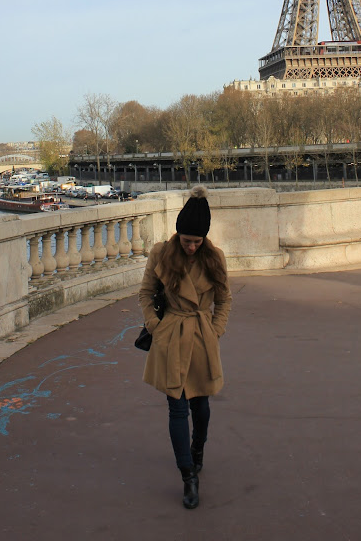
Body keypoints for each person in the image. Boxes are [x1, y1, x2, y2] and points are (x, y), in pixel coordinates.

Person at [139, 185, 232, 509]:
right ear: (177, 234)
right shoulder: (160, 254)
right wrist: (154, 325)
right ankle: (187, 474)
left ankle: (198, 448)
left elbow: (224, 298)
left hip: (201, 336)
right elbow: (145, 293)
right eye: (186, 240)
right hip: (170, 336)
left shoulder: (214, 257)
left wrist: (216, 329)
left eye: (196, 241)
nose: (191, 247)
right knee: (176, 406)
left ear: (204, 238)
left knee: (201, 407)